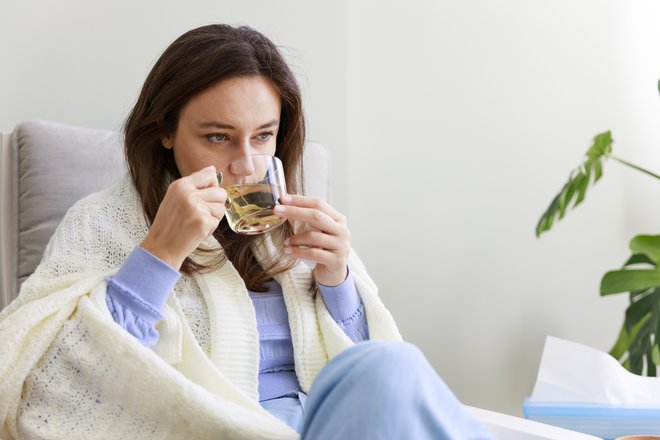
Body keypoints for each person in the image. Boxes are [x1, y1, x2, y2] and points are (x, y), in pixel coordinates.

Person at [0, 24, 493, 439]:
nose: (245, 164)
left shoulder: (299, 225)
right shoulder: (101, 223)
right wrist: (158, 255)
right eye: (218, 137)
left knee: (393, 368)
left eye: (263, 136)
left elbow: (373, 383)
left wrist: (338, 283)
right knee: (394, 370)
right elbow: (52, 387)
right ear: (166, 132)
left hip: (328, 425)